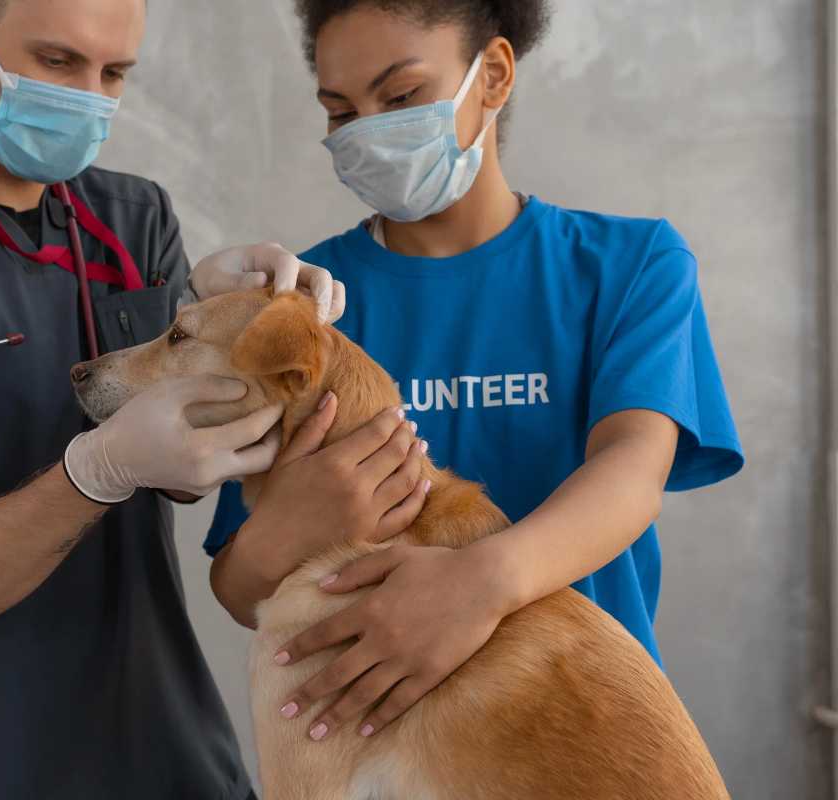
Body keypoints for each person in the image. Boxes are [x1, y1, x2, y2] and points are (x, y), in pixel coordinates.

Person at [0, 1, 428, 797]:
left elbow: (182, 471)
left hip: (172, 746)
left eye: (113, 73)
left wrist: (229, 329)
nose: (88, 96)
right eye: (57, 61)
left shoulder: (132, 218)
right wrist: (100, 468)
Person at [208, 0, 744, 746]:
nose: (365, 132)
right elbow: (238, 587)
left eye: (399, 99)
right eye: (340, 111)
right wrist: (277, 537)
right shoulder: (302, 309)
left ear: (492, 75)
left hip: (585, 736)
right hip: (383, 756)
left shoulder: (631, 267)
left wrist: (479, 585)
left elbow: (632, 472)